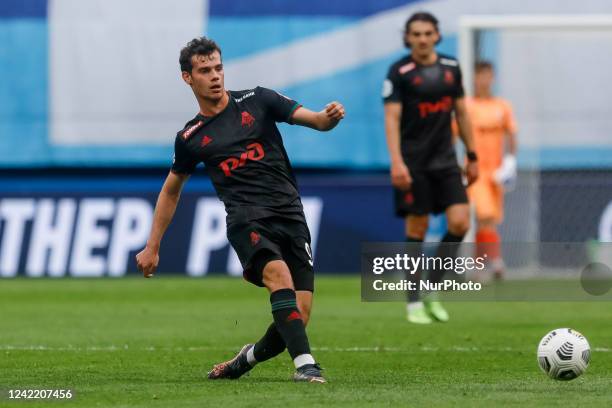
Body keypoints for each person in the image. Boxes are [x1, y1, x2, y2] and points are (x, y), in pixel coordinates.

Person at [135, 37, 345, 383]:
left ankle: (244, 360)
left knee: (298, 316)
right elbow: (171, 191)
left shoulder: (259, 100)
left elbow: (317, 121)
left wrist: (328, 117)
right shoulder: (191, 137)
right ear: (188, 78)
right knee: (278, 276)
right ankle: (306, 366)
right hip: (247, 219)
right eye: (205, 70)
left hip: (290, 214)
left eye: (218, 67)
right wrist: (152, 245)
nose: (215, 76)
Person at [382, 12, 478, 324]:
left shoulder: (451, 68)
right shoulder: (400, 72)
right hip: (414, 163)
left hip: (446, 162)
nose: (422, 39)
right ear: (407, 37)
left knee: (461, 223)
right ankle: (412, 304)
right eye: (416, 34)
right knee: (417, 231)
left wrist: (473, 155)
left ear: (437, 35)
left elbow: (462, 114)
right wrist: (397, 162)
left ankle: (430, 289)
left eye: (427, 33)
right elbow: (392, 119)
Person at [465, 61, 517, 280]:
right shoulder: (466, 106)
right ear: (474, 78)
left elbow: (511, 134)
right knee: (483, 214)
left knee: (490, 219)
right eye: (480, 76)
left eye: (488, 76)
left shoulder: (502, 106)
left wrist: (510, 162)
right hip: (477, 170)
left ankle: (479, 266)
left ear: (493, 78)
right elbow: (452, 134)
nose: (484, 80)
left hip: (497, 171)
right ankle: (494, 262)